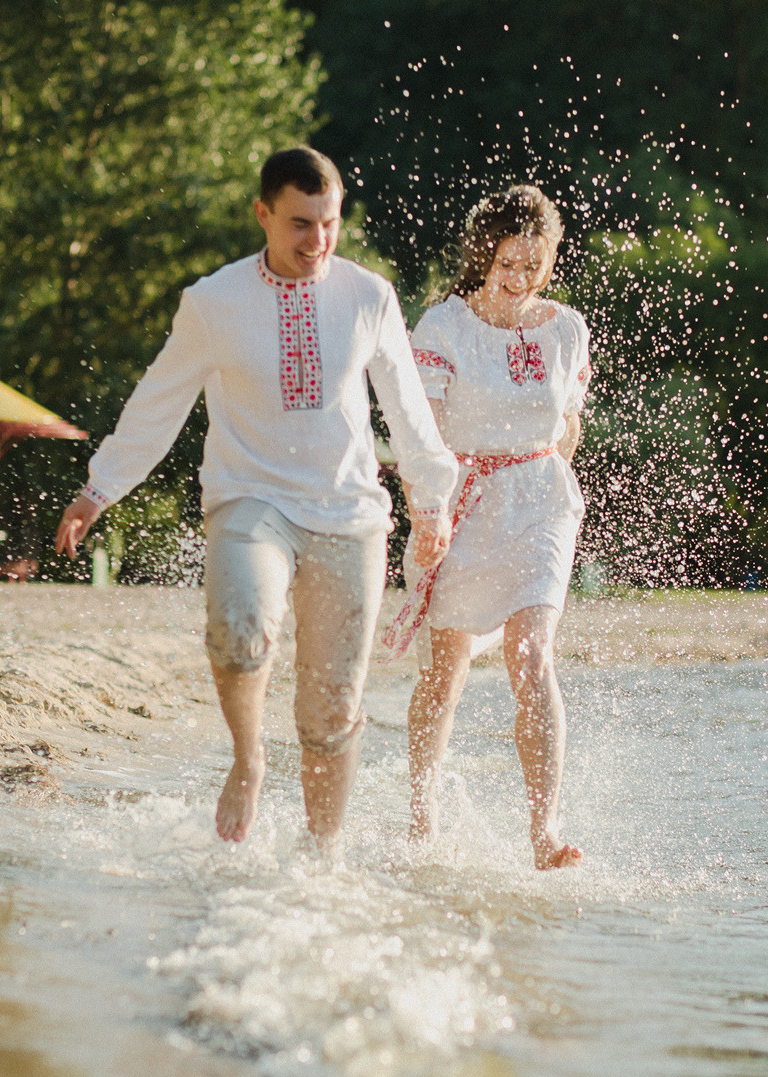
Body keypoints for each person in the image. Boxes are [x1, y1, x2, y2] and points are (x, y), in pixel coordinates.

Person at [55, 147, 458, 848]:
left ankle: (320, 857)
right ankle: (248, 758)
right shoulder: (213, 303)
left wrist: (432, 503)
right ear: (263, 214)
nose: (318, 241)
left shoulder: (369, 297)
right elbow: (160, 401)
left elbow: (409, 411)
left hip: (349, 514)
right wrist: (99, 488)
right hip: (252, 500)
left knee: (331, 715)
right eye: (301, 224)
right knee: (241, 631)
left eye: (329, 223)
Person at [377, 185, 591, 870]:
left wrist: (548, 469)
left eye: (536, 265)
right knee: (444, 673)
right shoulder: (443, 329)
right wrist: (428, 512)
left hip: (539, 500)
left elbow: (568, 428)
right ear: (483, 256)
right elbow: (421, 434)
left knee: (531, 654)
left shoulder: (568, 330)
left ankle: (544, 832)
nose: (522, 279)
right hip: (461, 502)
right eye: (509, 264)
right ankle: (421, 818)